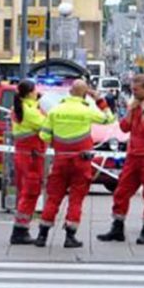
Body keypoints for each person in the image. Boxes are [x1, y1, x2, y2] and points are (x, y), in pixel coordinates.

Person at [34, 80, 115, 249]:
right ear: (85, 94)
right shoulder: (87, 110)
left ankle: (42, 235)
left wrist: (59, 142)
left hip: (61, 160)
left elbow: (44, 135)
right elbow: (109, 119)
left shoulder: (55, 111)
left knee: (53, 198)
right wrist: (100, 100)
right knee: (76, 199)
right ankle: (70, 237)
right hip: (81, 161)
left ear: (69, 92)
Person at [97, 74, 144, 245]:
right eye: (132, 89)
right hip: (134, 156)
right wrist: (131, 111)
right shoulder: (134, 103)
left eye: (136, 89)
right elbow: (124, 127)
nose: (133, 92)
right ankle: (117, 227)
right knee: (121, 192)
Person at [8, 80, 47, 245]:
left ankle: (22, 228)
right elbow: (46, 125)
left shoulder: (21, 108)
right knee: (30, 191)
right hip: (31, 156)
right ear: (30, 92)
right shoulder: (29, 111)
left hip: (26, 155)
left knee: (26, 191)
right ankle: (20, 230)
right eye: (35, 90)